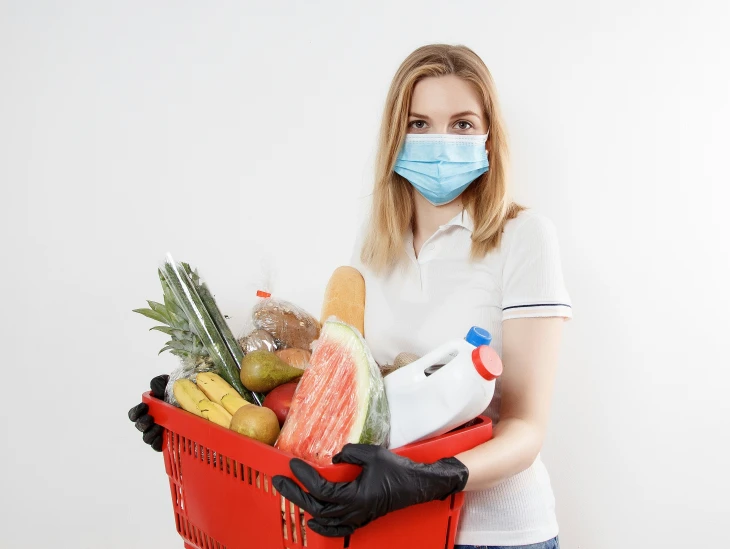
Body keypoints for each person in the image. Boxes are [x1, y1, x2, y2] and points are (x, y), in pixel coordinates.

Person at [130, 44, 571, 549]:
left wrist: (429, 478)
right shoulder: (373, 247)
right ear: (395, 138)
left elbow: (525, 428)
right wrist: (196, 422)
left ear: (490, 137)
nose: (441, 141)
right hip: (388, 530)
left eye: (463, 124)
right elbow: (346, 393)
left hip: (492, 534)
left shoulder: (524, 237)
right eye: (420, 123)